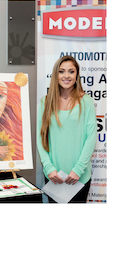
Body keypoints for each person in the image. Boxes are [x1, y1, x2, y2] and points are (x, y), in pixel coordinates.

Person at [37, 55, 96, 203]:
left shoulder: (86, 101)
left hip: (80, 176)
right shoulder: (45, 102)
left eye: (71, 71)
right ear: (56, 74)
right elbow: (41, 136)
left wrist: (78, 169)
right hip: (53, 176)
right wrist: (49, 168)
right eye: (62, 71)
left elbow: (91, 137)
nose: (66, 76)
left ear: (77, 75)